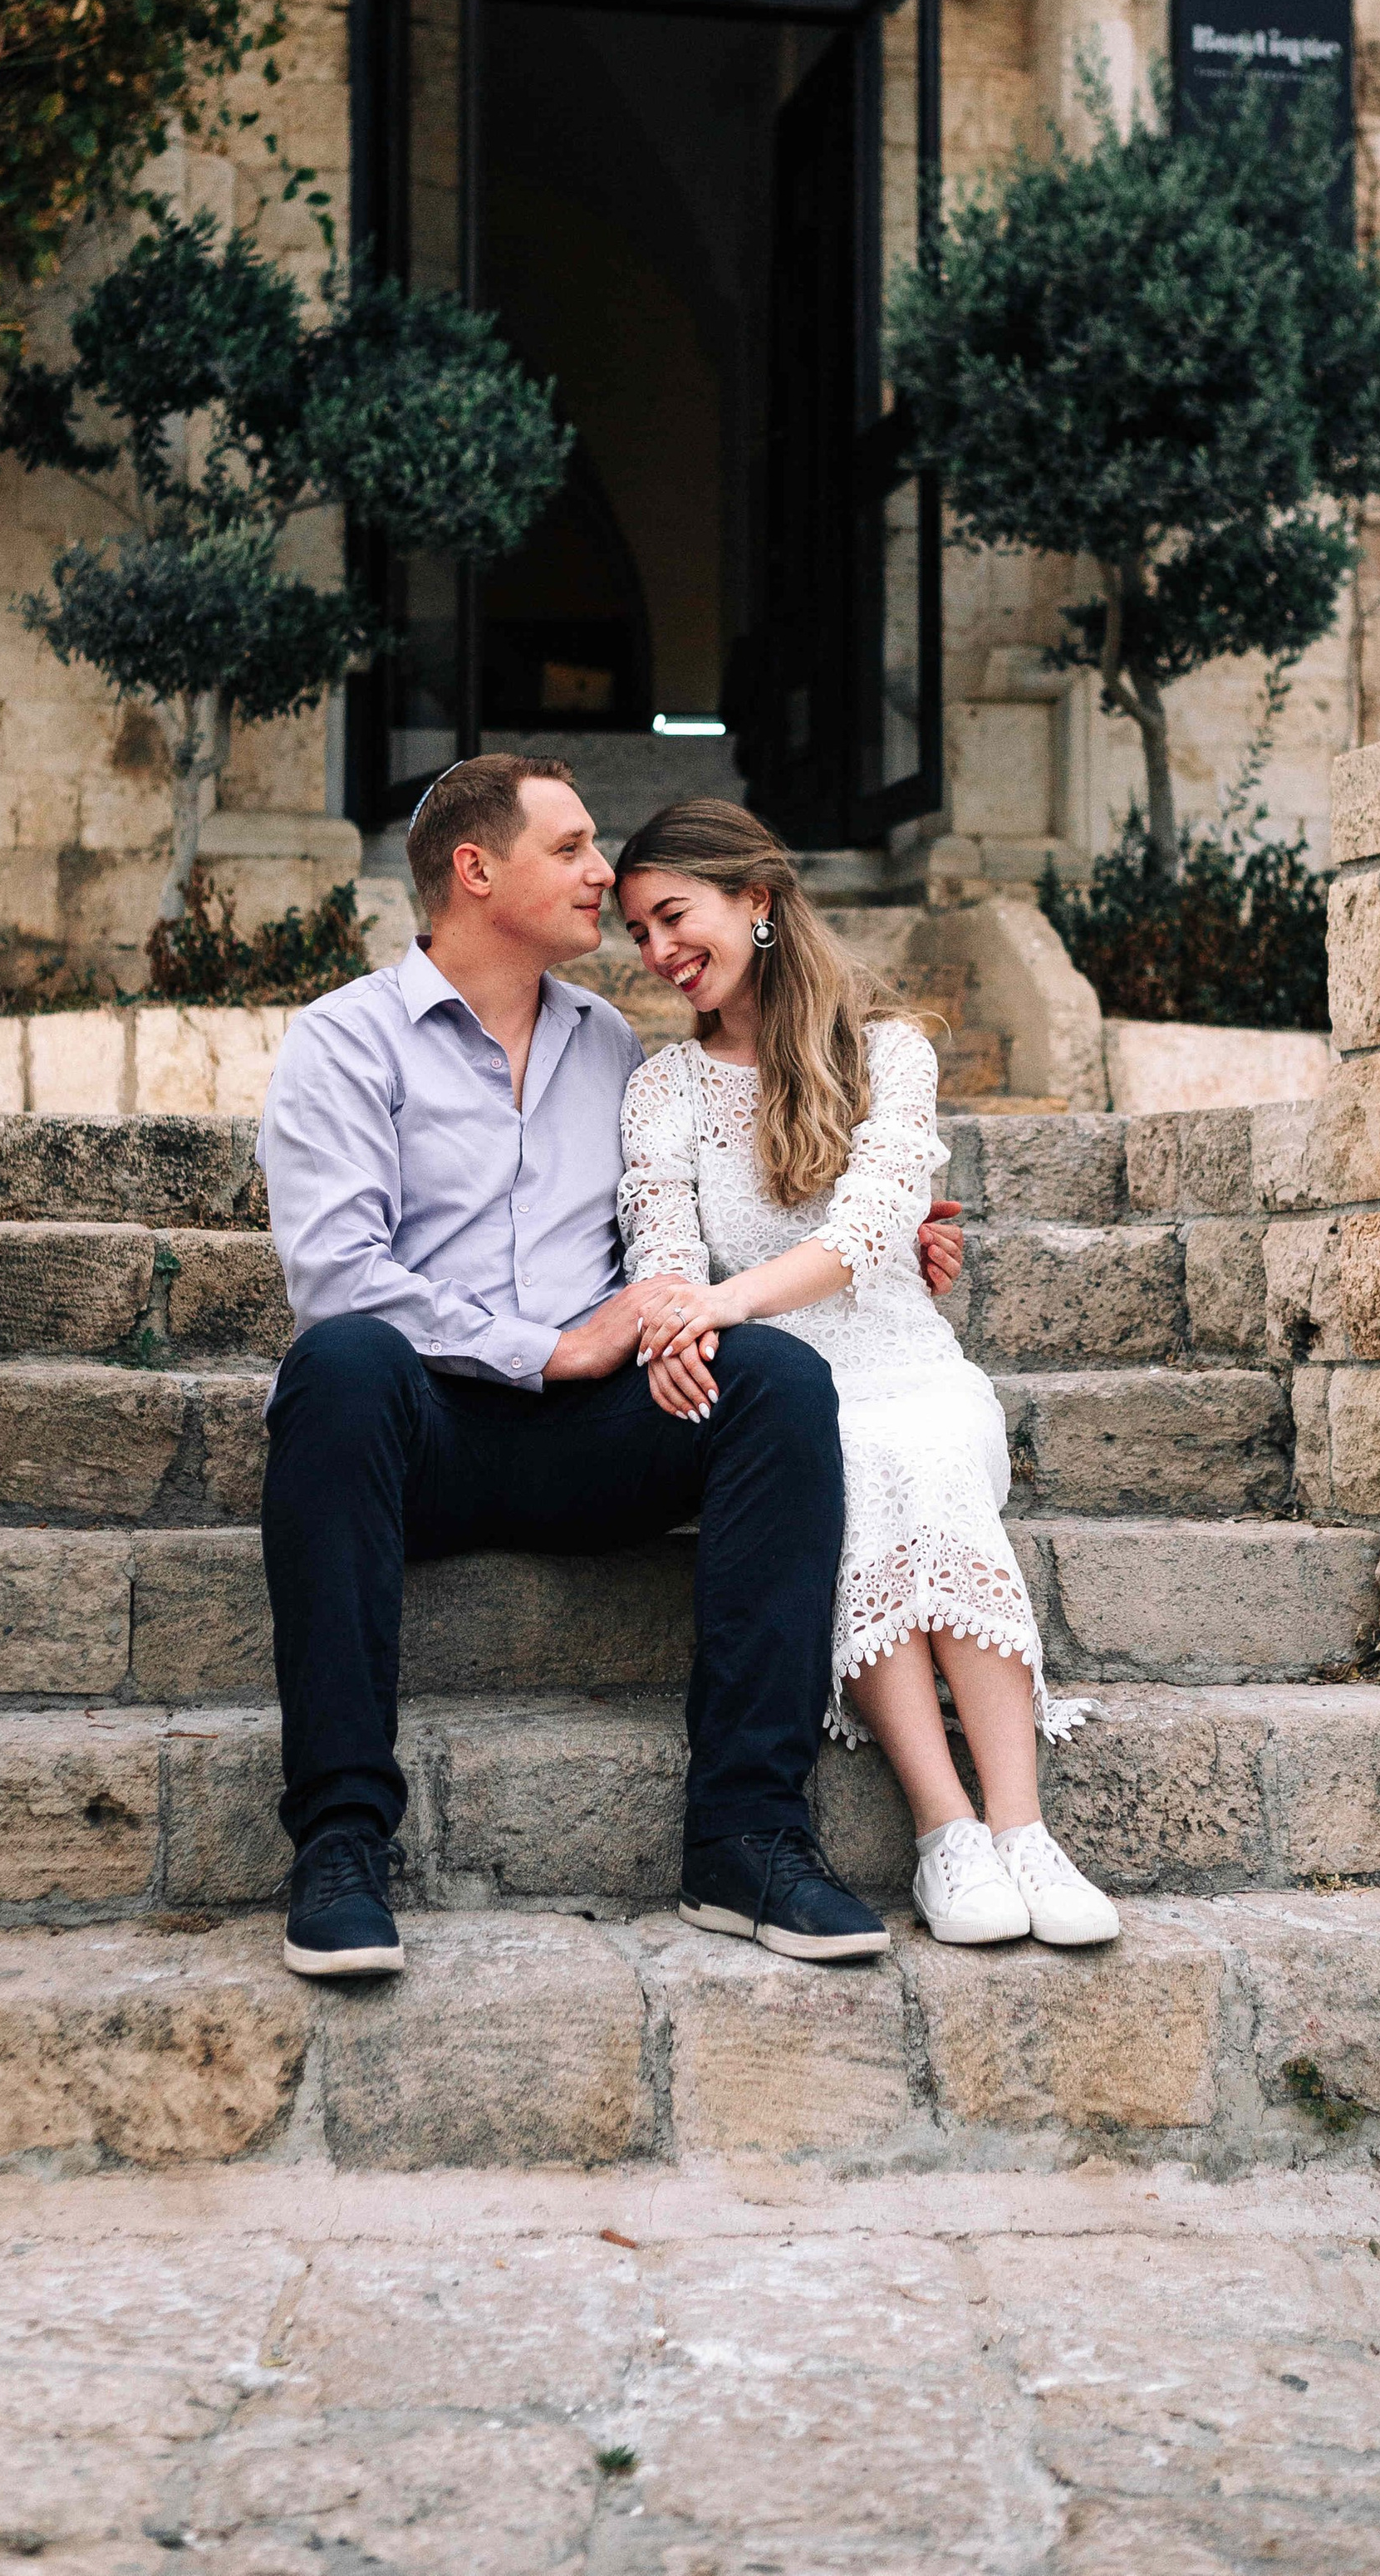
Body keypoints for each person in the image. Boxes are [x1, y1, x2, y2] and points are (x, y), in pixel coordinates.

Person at [256, 750, 966, 1980]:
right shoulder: (342, 1043)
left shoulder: (607, 1047)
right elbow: (336, 1275)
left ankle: (747, 1836)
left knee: (780, 1382)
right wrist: (546, 1345)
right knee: (342, 1365)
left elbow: (703, 1207)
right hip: (415, 1431)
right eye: (575, 849)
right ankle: (339, 1845)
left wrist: (897, 1234)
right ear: (477, 871)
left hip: (594, 1439)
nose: (603, 873)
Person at [613, 797, 1118, 1952]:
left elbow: (881, 1222)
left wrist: (719, 1304)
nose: (656, 954)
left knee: (927, 1444)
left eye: (674, 916)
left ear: (758, 902)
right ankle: (947, 1833)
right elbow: (665, 1248)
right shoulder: (662, 1090)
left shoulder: (889, 1051)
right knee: (850, 1454)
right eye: (638, 932)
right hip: (784, 1383)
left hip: (905, 1354)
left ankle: (1023, 1830)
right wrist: (691, 1326)